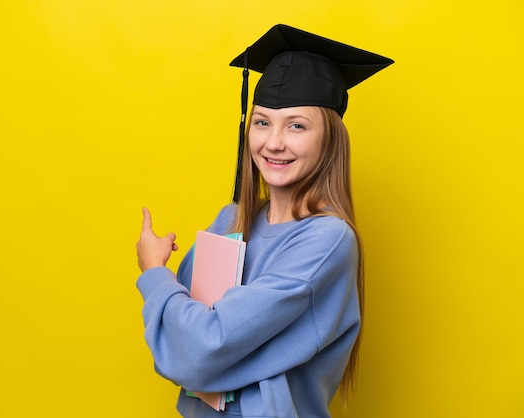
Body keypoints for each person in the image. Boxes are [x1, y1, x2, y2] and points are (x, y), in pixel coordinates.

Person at [136, 24, 393, 418]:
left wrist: (155, 272)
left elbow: (199, 350)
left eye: (297, 125)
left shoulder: (326, 240)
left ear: (330, 138)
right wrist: (182, 327)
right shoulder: (231, 220)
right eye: (261, 122)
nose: (273, 142)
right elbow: (173, 348)